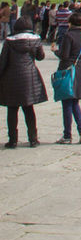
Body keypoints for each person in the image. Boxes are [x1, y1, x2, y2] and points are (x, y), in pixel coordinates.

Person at [0, 17, 48, 147]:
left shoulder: (9, 42)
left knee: (12, 109)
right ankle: (33, 139)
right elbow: (40, 57)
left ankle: (13, 140)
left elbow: (3, 61)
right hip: (29, 77)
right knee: (28, 109)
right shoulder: (35, 40)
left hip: (11, 78)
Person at [53, 10, 81, 144]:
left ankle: (67, 135)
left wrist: (55, 51)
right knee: (75, 101)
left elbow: (64, 55)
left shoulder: (68, 36)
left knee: (67, 102)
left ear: (70, 23)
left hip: (69, 70)